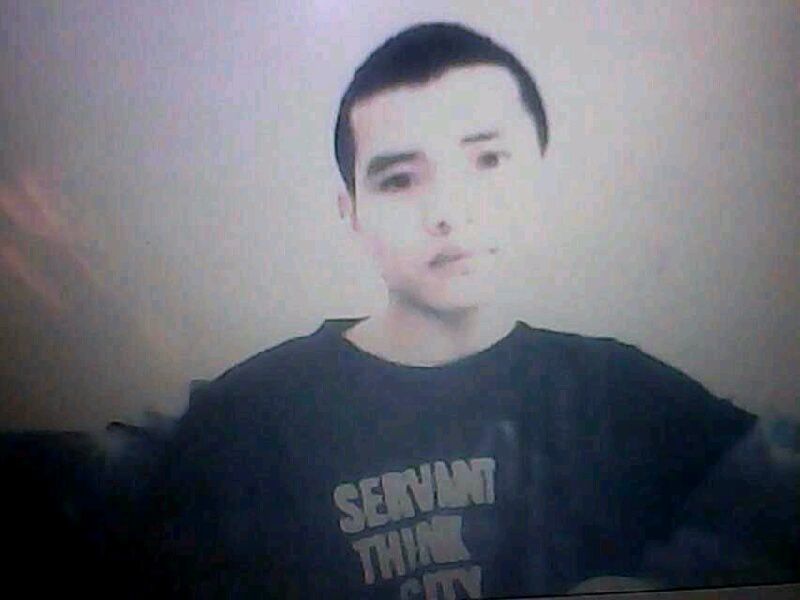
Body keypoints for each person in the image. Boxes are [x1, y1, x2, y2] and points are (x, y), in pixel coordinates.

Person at [132, 22, 797, 599]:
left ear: (539, 176)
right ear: (351, 213)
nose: (449, 211)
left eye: (487, 159)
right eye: (399, 179)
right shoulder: (248, 418)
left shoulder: (624, 393)